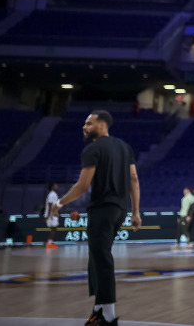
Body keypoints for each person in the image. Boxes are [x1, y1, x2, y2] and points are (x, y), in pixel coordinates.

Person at [57, 110, 141, 326]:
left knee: (101, 258)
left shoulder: (92, 149)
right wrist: (135, 212)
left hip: (102, 209)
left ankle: (109, 317)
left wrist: (59, 203)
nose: (84, 127)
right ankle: (98, 309)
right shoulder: (125, 147)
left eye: (89, 123)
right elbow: (133, 178)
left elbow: (82, 186)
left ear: (102, 125)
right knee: (96, 256)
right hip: (120, 210)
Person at [44, 182, 61, 249]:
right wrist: (49, 215)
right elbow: (50, 204)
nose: (57, 187)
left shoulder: (54, 194)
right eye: (55, 185)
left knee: (54, 228)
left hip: (53, 213)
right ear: (52, 187)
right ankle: (49, 242)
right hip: (52, 214)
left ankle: (50, 242)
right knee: (53, 228)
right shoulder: (52, 194)